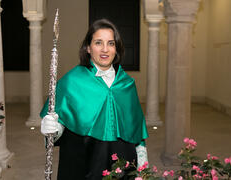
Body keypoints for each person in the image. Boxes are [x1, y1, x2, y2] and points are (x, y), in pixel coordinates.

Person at [40, 19, 149, 180]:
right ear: (88, 48)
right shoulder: (72, 81)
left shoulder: (127, 84)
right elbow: (60, 121)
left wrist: (142, 162)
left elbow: (137, 132)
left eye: (111, 43)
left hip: (123, 167)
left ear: (116, 49)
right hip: (83, 164)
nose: (105, 49)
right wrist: (52, 127)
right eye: (98, 42)